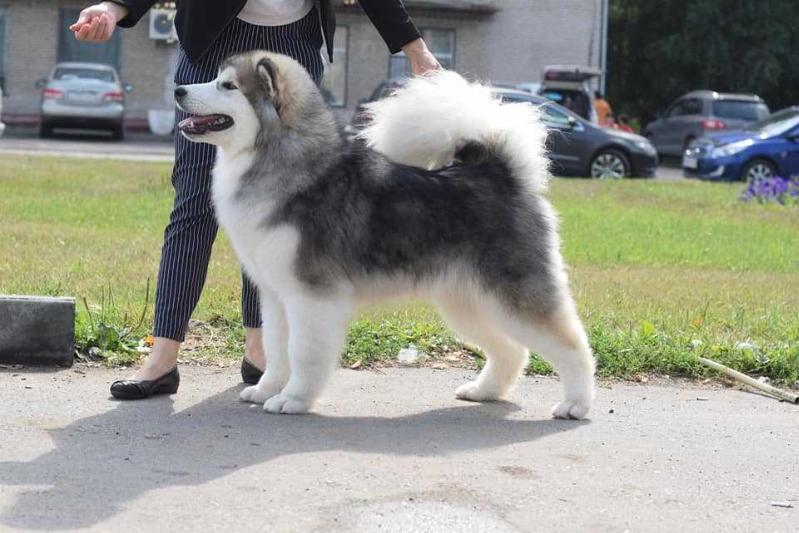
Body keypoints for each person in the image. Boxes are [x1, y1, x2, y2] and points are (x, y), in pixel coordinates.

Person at [70, 0, 441, 399]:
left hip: (292, 48)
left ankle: (260, 350)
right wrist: (114, 7)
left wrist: (414, 48)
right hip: (215, 40)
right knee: (194, 205)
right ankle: (162, 356)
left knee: (277, 209)